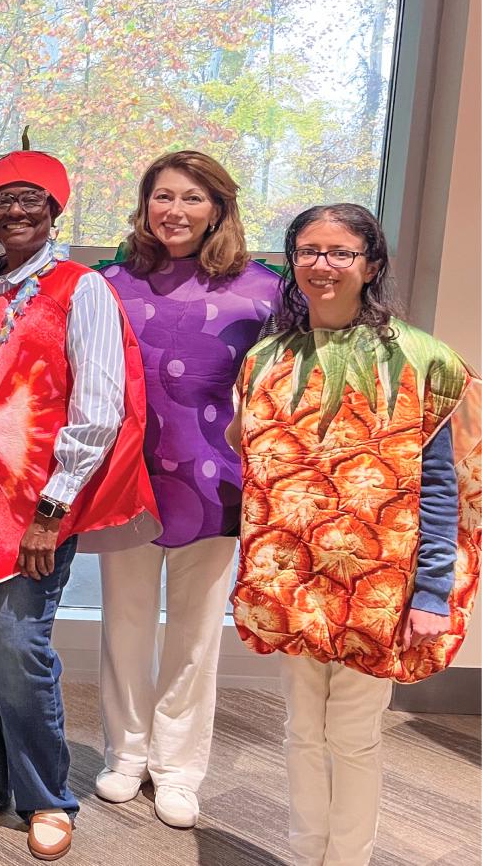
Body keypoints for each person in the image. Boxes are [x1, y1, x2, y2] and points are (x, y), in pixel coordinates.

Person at [0, 146, 157, 861]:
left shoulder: (82, 289)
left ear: (54, 209)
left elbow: (100, 407)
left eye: (32, 199)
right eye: (2, 200)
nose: (17, 211)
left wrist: (55, 510)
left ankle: (47, 795)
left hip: (33, 507)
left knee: (21, 648)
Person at [228, 203, 479, 866]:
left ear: (371, 264)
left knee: (354, 735)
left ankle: (347, 861)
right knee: (301, 730)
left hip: (381, 588)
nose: (322, 264)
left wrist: (431, 592)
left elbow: (439, 486)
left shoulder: (421, 359)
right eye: (309, 250)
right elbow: (261, 478)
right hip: (293, 578)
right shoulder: (265, 360)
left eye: (341, 251)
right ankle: (306, 853)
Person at [93, 151, 280, 827]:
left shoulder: (263, 289)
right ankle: (125, 754)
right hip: (124, 475)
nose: (175, 211)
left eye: (192, 198)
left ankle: (178, 768)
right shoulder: (110, 282)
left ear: (219, 208)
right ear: (145, 206)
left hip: (216, 478)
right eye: (162, 196)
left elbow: (283, 389)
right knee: (126, 622)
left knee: (196, 634)